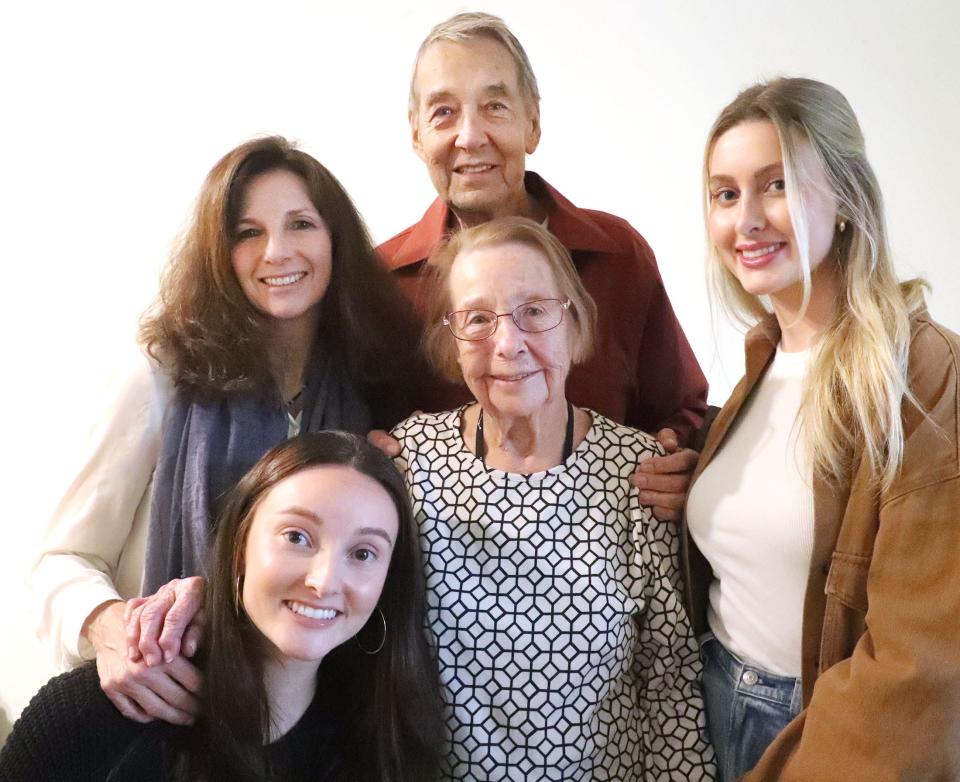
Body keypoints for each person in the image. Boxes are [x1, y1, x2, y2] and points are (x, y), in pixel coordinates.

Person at [31, 136, 414, 725]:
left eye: (301, 225)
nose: (277, 252)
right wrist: (112, 630)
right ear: (220, 252)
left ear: (335, 240)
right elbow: (61, 558)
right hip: (161, 703)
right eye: (248, 232)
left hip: (309, 724)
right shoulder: (159, 379)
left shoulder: (362, 395)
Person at [683, 77, 960, 780]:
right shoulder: (762, 360)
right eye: (725, 193)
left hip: (824, 736)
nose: (745, 219)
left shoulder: (924, 375)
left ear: (844, 199)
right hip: (715, 704)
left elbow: (920, 665)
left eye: (774, 185)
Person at [392, 217, 715, 780]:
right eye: (477, 319)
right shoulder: (408, 461)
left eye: (534, 311)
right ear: (451, 340)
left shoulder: (637, 472)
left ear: (574, 321)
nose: (508, 343)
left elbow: (669, 685)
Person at [378, 11, 708, 520]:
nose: (469, 136)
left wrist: (684, 463)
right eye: (443, 113)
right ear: (416, 133)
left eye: (495, 106)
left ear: (532, 122)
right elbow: (353, 425)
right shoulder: (381, 283)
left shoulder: (619, 257)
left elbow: (682, 412)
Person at [4, 432, 444, 780]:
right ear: (239, 549)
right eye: (297, 537)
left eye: (363, 553)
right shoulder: (88, 719)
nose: (324, 580)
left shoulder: (385, 743)